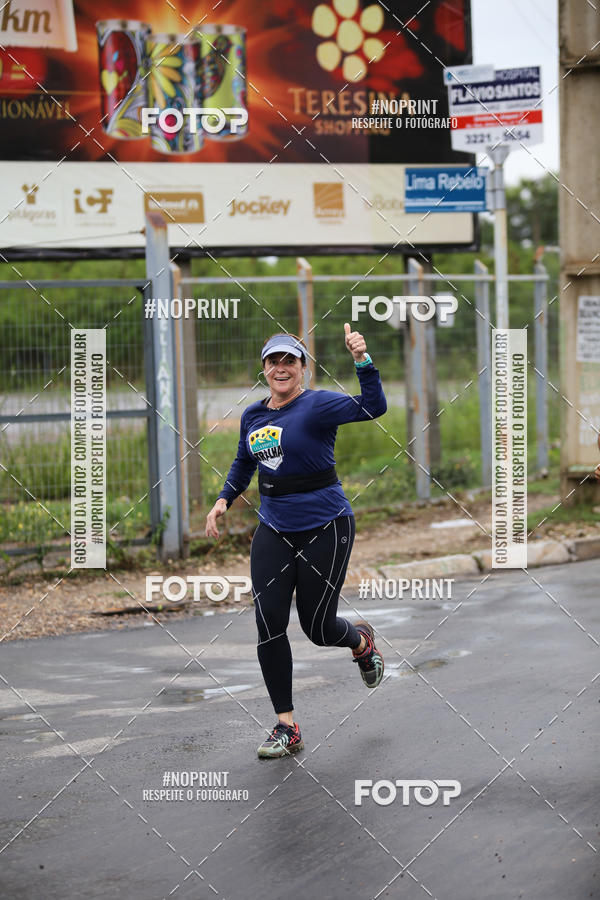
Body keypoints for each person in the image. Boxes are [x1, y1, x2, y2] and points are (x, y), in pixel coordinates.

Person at [205, 325, 387, 759]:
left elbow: (374, 407)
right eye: (274, 361)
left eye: (290, 360)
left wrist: (362, 359)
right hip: (274, 527)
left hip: (327, 524)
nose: (281, 368)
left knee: (318, 627)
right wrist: (223, 500)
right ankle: (286, 727)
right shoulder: (253, 415)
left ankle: (360, 643)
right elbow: (243, 461)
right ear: (264, 368)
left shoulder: (318, 404)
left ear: (303, 368)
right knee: (268, 622)